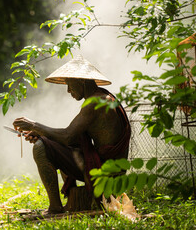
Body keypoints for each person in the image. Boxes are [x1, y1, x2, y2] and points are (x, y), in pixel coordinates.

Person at [13, 55, 131, 214]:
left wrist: (35, 125)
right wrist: (41, 133)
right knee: (51, 144)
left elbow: (68, 136)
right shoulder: (103, 97)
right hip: (108, 167)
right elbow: (72, 137)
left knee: (41, 148)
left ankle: (55, 207)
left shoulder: (95, 102)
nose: (68, 90)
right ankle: (72, 202)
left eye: (69, 84)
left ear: (82, 81)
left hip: (105, 171)